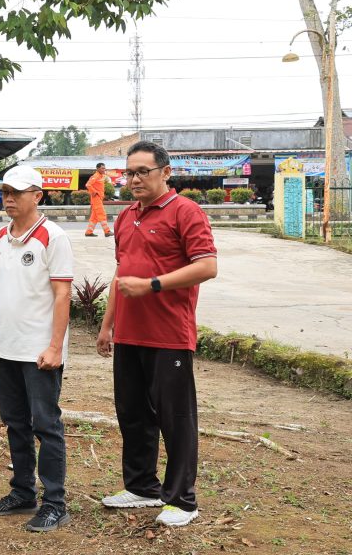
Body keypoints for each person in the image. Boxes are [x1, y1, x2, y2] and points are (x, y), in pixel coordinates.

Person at [98, 141, 217, 528]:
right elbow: (120, 274)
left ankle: (182, 500)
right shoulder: (125, 216)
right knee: (132, 414)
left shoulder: (186, 212)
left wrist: (153, 284)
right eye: (128, 173)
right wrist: (106, 325)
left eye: (142, 172)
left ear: (165, 172)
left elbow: (207, 266)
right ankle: (141, 487)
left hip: (169, 335)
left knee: (175, 418)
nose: (133, 180)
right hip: (130, 334)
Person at [0, 166, 73, 532]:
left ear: (37, 195)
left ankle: (55, 502)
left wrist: (55, 347)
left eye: (16, 192)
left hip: (39, 352)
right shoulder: (0, 239)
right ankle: (23, 491)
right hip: (5, 349)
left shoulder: (52, 237)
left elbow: (63, 293)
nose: (8, 198)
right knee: (15, 424)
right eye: (5, 191)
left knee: (46, 426)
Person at [85, 163, 113, 237]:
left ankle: (89, 232)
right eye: (102, 168)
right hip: (96, 198)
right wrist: (94, 192)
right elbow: (88, 185)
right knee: (102, 214)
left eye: (104, 168)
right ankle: (107, 231)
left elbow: (101, 184)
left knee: (94, 217)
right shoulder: (95, 176)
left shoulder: (102, 176)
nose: (104, 169)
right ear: (97, 169)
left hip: (99, 198)